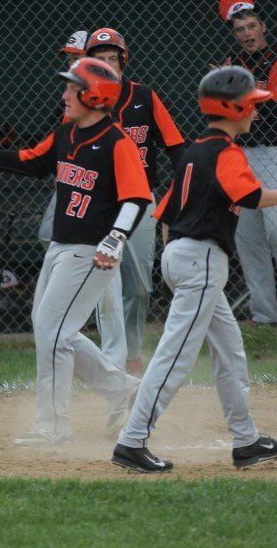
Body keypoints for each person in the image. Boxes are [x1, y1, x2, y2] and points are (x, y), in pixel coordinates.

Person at [112, 65, 277, 474]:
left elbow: (164, 213)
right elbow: (250, 196)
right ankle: (132, 440)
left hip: (185, 255)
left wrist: (175, 263)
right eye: (251, 105)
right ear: (232, 108)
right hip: (200, 259)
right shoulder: (225, 153)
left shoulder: (195, 151)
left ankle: (246, 439)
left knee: (230, 351)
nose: (255, 111)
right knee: (177, 354)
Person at [0, 57, 148, 445]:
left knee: (54, 331)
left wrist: (115, 238)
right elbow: (30, 161)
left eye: (73, 88)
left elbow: (137, 197)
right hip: (60, 246)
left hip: (92, 251)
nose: (65, 94)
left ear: (94, 95)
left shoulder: (116, 141)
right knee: (51, 329)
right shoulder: (66, 133)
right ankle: (121, 388)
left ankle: (52, 425)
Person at [85, 27, 186, 375]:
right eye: (100, 60)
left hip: (141, 200)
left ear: (123, 61)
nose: (108, 65)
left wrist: (176, 198)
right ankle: (116, 362)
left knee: (140, 286)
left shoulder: (144, 97)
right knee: (106, 286)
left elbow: (177, 148)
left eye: (113, 58)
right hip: (101, 204)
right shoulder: (81, 101)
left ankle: (133, 351)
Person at [216, 0, 277, 331]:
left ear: (263, 26)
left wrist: (237, 102)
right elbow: (222, 111)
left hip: (273, 153)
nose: (247, 33)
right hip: (240, 154)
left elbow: (276, 111)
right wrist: (246, 107)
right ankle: (265, 313)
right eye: (240, 29)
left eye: (252, 26)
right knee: (247, 234)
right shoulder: (233, 62)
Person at [38, 31, 88, 247]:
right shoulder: (68, 98)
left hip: (91, 180)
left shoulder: (107, 96)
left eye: (77, 57)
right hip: (69, 178)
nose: (71, 63)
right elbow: (47, 135)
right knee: (48, 236)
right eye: (70, 58)